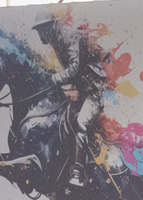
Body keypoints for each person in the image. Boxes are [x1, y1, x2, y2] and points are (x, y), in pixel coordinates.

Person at [32, 11, 107, 188]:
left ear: (51, 27)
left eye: (41, 30)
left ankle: (78, 173)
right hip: (80, 91)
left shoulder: (71, 35)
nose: (40, 35)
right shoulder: (57, 41)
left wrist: (55, 78)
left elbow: (75, 69)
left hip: (93, 91)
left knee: (81, 123)